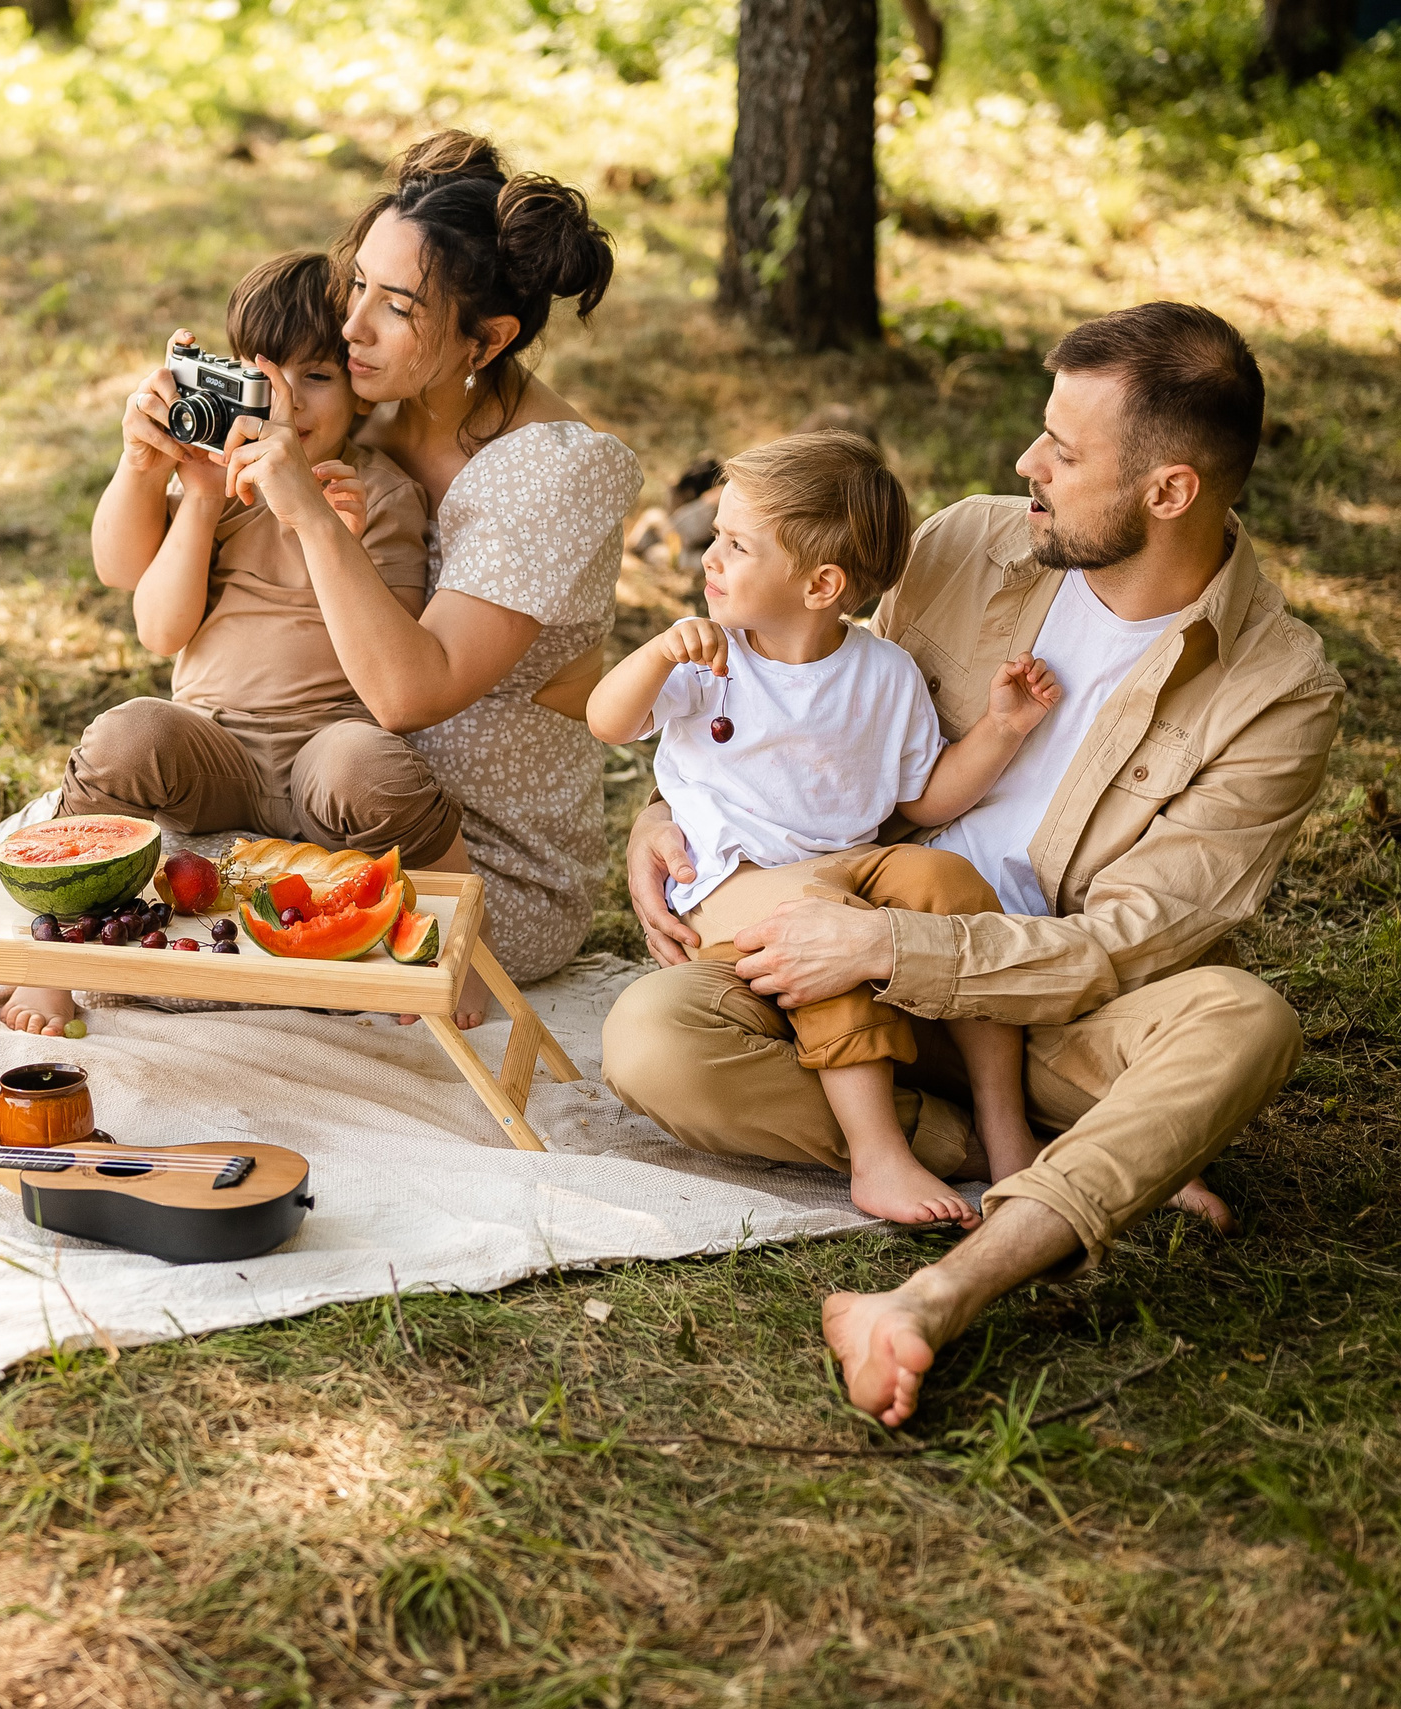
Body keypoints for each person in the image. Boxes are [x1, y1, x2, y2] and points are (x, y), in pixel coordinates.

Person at [600, 302, 1344, 1427]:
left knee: (1245, 1020)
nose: (1026, 462)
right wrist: (666, 811)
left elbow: (1126, 943)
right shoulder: (966, 543)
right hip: (838, 947)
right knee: (653, 1040)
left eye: (1065, 451)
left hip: (1045, 1011)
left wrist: (895, 945)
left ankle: (934, 1293)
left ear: (1169, 491)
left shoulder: (1277, 693)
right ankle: (1061, 1153)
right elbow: (804, 712)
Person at [216, 130, 641, 1026]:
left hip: (480, 863)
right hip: (314, 787)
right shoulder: (366, 403)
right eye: (357, 284)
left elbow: (410, 694)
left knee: (197, 931)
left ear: (488, 339)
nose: (352, 325)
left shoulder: (555, 472)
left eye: (397, 306)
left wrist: (308, 513)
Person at [586, 432, 1063, 1229]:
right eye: (717, 537)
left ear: (821, 585)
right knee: (822, 931)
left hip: (850, 867)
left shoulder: (883, 673)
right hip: (729, 896)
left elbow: (926, 796)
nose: (710, 556)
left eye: (737, 545)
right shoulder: (707, 661)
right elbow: (607, 721)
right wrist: (659, 654)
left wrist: (1003, 729)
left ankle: (1003, 1119)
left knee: (950, 884)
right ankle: (878, 1152)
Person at [3, 252, 453, 1035]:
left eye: (317, 377)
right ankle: (53, 962)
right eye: (263, 379)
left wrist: (327, 536)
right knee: (125, 735)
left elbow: (385, 665)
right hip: (215, 753)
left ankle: (459, 947)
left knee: (372, 766)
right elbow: (156, 626)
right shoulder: (212, 482)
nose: (287, 402)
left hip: (324, 756)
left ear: (360, 389)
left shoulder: (379, 493)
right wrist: (187, 492)